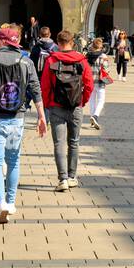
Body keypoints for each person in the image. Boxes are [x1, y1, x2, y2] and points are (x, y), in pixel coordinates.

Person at [0, 25, 47, 221]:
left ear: (4, 41)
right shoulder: (26, 61)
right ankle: (11, 202)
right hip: (17, 118)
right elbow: (35, 89)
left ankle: (0, 203)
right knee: (13, 161)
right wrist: (41, 116)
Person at [40, 31, 94, 191]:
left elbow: (45, 86)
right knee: (74, 142)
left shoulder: (51, 60)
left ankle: (62, 179)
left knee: (59, 143)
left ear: (57, 42)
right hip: (76, 106)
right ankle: (72, 177)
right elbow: (89, 84)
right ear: (72, 42)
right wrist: (82, 100)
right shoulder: (82, 61)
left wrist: (49, 103)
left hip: (56, 107)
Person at [85, 37, 111, 129]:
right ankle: (95, 116)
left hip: (90, 81)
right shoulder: (103, 56)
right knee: (101, 101)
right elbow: (107, 70)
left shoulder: (87, 55)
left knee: (92, 100)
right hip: (100, 82)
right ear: (101, 46)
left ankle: (92, 120)